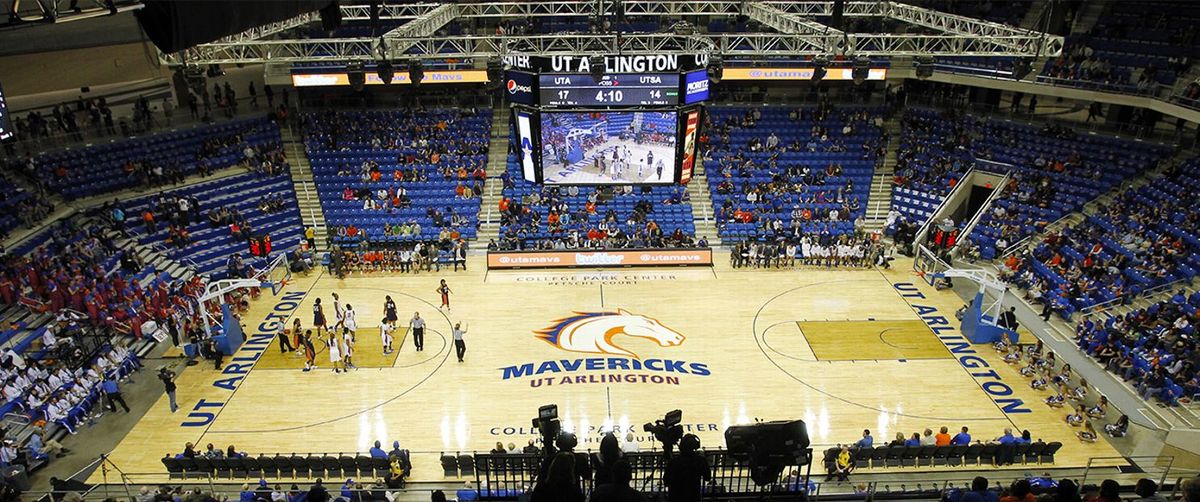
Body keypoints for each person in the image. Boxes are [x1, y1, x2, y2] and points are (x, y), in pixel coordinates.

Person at [664, 434, 710, 502]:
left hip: (675, 497)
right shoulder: (700, 461)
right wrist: (703, 459)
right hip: (693, 497)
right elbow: (707, 477)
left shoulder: (673, 461)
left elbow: (666, 481)